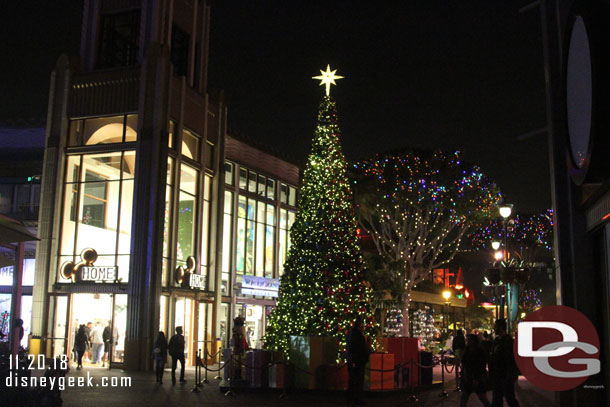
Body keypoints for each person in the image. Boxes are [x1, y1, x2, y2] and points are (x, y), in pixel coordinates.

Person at [489, 319, 520, 407]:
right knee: (497, 399)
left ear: (501, 327)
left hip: (505, 375)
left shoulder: (508, 341)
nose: (494, 328)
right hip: (497, 375)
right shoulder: (497, 341)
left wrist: (511, 375)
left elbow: (510, 360)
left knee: (509, 398)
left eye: (496, 326)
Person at [460, 334, 491, 407]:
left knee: (482, 397)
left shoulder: (479, 351)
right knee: (464, 397)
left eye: (470, 340)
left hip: (477, 377)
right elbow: (464, 363)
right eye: (467, 340)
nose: (468, 341)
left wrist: (477, 378)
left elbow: (481, 365)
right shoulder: (467, 350)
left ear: (474, 341)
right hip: (468, 377)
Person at [346, 316, 370, 405]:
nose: (363, 327)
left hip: (354, 360)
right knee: (357, 381)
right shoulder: (358, 335)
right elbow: (361, 348)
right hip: (358, 361)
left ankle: (352, 398)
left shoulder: (351, 334)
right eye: (362, 325)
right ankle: (356, 398)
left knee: (353, 380)